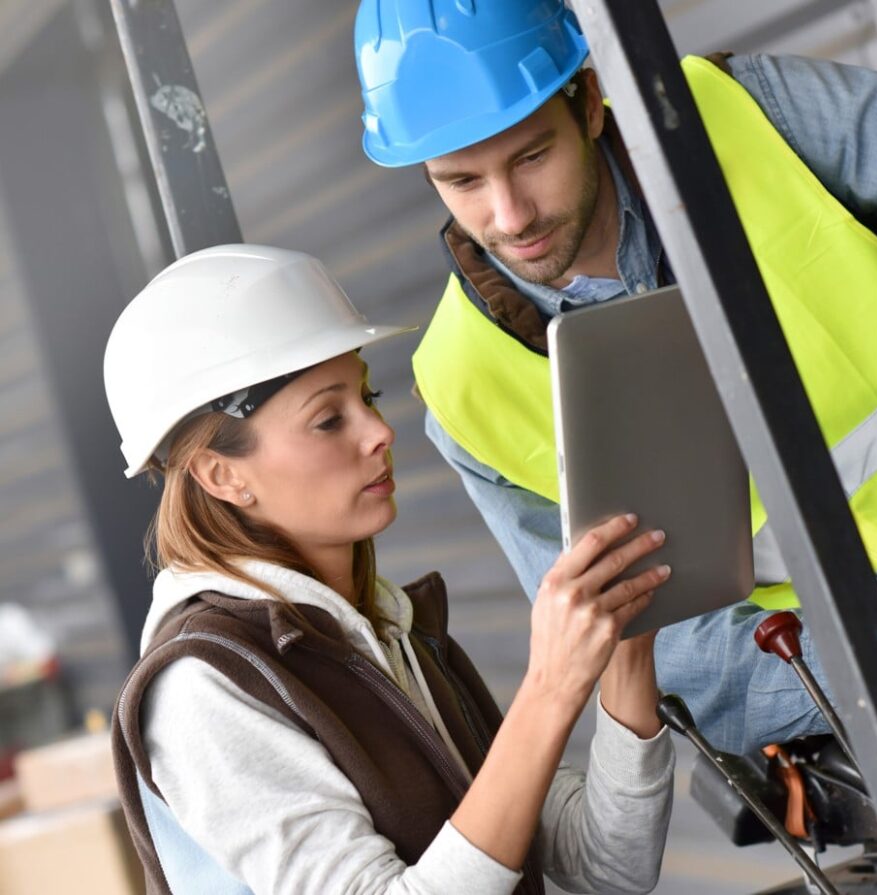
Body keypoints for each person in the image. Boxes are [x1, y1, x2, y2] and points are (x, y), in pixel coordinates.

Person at [352, 1, 877, 891]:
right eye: (461, 180)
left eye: (532, 156)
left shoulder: (751, 115)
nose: (509, 213)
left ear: (591, 102)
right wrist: (851, 640)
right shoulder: (464, 390)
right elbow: (656, 645)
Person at [103, 244, 675, 895]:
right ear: (221, 475)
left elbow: (608, 864)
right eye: (328, 419)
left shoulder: (381, 629)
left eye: (366, 396)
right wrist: (549, 686)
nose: (379, 431)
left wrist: (627, 649)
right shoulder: (204, 685)